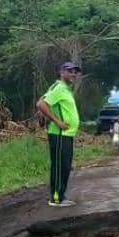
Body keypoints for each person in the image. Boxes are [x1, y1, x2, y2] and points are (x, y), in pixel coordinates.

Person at [35, 62, 82, 207]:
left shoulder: (66, 89)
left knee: (65, 166)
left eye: (75, 72)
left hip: (67, 135)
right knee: (60, 165)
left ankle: (60, 195)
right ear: (62, 72)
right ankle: (56, 198)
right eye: (70, 71)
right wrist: (57, 121)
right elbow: (41, 104)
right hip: (59, 134)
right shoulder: (58, 87)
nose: (73, 74)